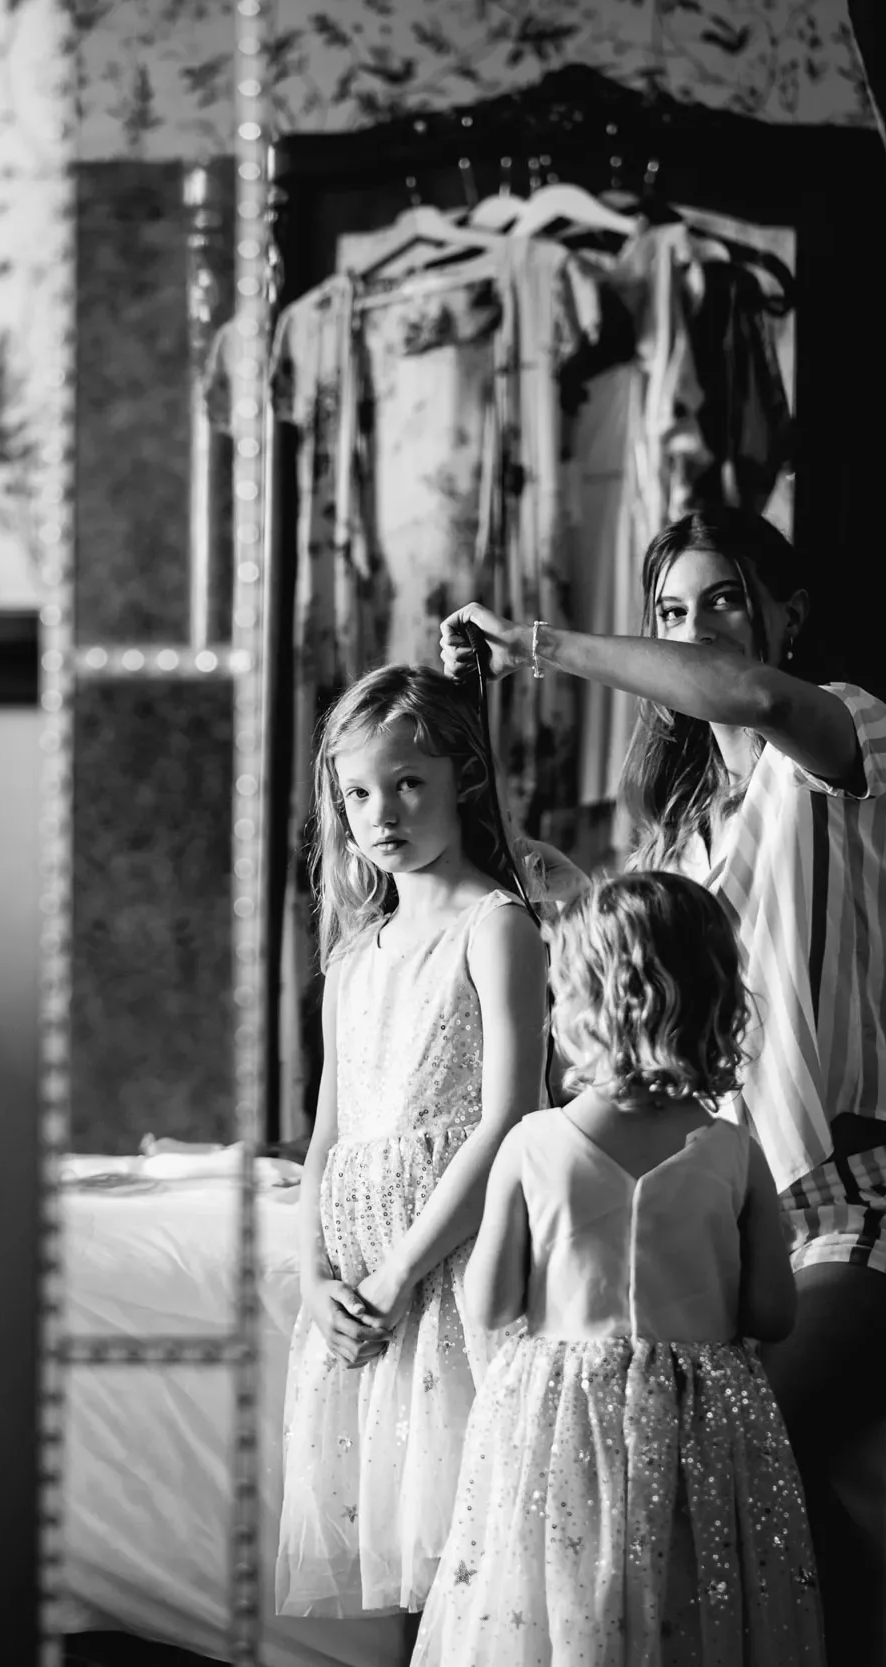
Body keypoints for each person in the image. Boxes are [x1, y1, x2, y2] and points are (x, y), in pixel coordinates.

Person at [438, 505, 886, 1662]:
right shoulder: (673, 847)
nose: (698, 629)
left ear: (786, 614)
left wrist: (540, 646)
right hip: (740, 1212)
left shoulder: (852, 740)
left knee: (738, 1449)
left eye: (723, 599)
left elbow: (753, 698)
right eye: (672, 611)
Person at [413, 872, 825, 1665]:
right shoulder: (736, 1154)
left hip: (560, 1421)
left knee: (560, 1596)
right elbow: (774, 1314)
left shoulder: (531, 1144)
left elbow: (494, 1301)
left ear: (574, 1005)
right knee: (690, 1600)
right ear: (714, 1004)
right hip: (701, 1426)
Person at [276, 663, 549, 1627]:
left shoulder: (496, 927)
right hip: (361, 1293)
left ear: (462, 779)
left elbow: (512, 1117)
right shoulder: (353, 961)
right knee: (400, 1548)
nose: (381, 812)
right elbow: (328, 1143)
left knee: (474, 1566)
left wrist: (396, 1277)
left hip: (451, 1280)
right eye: (356, 793)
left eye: (407, 782)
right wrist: (316, 1278)